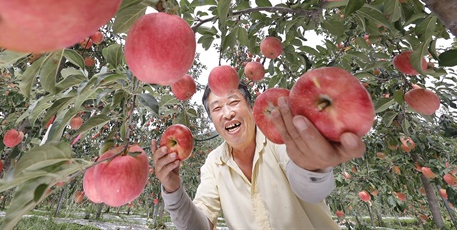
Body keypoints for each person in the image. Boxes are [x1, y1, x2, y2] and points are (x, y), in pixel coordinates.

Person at [151, 82, 367, 230]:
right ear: (213, 122)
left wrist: (313, 167)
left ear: (251, 108)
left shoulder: (278, 139)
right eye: (217, 108)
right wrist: (172, 189)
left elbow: (308, 187)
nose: (227, 113)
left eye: (234, 102)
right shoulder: (213, 164)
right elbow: (199, 227)